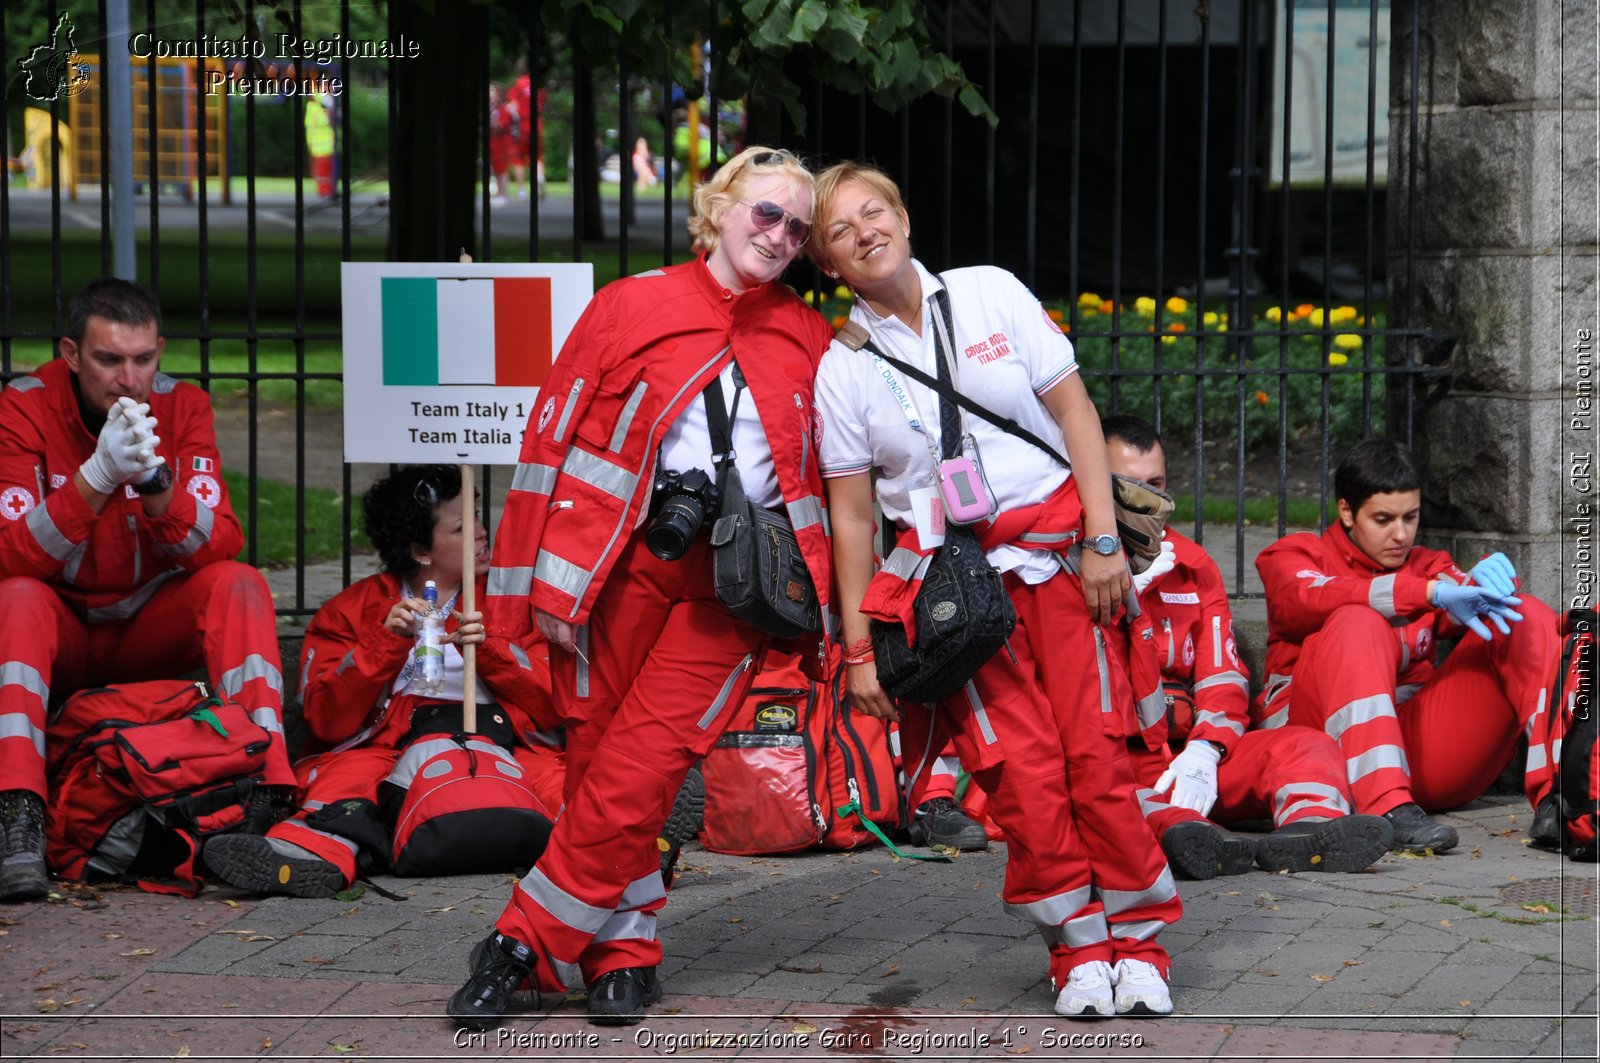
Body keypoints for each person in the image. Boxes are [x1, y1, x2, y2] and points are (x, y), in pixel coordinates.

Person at [449, 146, 833, 1030]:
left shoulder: (808, 334)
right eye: (767, 213)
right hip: (616, 563)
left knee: (646, 762)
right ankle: (623, 950)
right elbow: (549, 443)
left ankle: (519, 940)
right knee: (597, 756)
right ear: (722, 204)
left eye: (799, 228)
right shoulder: (629, 305)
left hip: (734, 583)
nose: (781, 236)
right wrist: (521, 589)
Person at [809, 161, 1181, 1019]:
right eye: (841, 230)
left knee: (1096, 756)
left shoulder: (989, 293)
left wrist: (1100, 539)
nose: (866, 231)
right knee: (1022, 774)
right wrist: (858, 646)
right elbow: (855, 519)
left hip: (1059, 561)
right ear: (829, 265)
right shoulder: (843, 368)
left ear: (903, 215)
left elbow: (1078, 415)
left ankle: (1143, 941)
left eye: (875, 211)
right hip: (957, 597)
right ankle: (1079, 948)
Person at [0, 277, 293, 903]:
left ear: (160, 349)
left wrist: (157, 482)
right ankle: (19, 816)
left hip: (150, 627)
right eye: (108, 359)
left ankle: (269, 793)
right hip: (66, 626)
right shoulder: (24, 406)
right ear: (71, 355)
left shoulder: (183, 405)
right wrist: (97, 478)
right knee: (16, 597)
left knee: (237, 585)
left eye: (144, 359)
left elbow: (221, 545)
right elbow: (9, 555)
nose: (129, 379)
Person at [203, 465, 563, 898]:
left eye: (480, 517)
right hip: (393, 743)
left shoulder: (514, 602)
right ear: (420, 550)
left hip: (503, 738)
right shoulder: (350, 610)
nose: (484, 533)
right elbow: (325, 719)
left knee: (557, 781)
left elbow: (552, 704)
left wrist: (494, 651)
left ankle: (628, 851)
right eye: (463, 528)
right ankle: (303, 856)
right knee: (347, 780)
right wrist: (385, 642)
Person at [1102, 415, 1392, 878]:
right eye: (1129, 486)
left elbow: (1223, 677)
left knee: (1305, 745)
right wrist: (1126, 604)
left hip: (1192, 755)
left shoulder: (1193, 567)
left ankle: (1307, 833)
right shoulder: (1069, 565)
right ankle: (1187, 837)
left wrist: (1207, 750)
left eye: (1156, 483)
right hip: (1114, 760)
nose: (1148, 500)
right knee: (1106, 792)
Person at [1254, 437, 1563, 853]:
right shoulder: (1293, 555)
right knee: (1356, 619)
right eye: (1383, 519)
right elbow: (1309, 598)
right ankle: (1385, 807)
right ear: (1346, 511)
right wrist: (1426, 593)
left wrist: (1485, 587)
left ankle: (1564, 797)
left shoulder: (1428, 566)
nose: (1400, 535)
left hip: (1420, 753)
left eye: (1411, 517)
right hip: (1323, 761)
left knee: (1519, 613)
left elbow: (1462, 601)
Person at [487, 83, 519, 208]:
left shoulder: (503, 109)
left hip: (502, 143)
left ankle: (503, 195)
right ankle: (498, 194)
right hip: (493, 143)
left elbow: (502, 125)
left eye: (492, 91)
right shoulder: (492, 109)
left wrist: (491, 122)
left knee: (502, 170)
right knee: (495, 169)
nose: (489, 94)